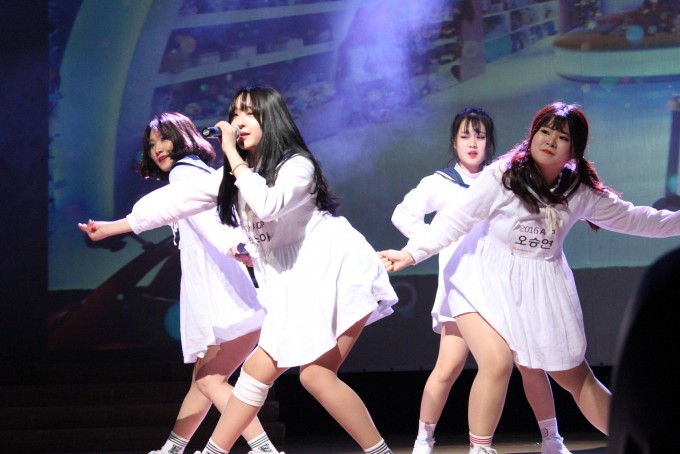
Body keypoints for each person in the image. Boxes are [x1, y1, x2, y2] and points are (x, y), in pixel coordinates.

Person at [79, 86, 399, 454]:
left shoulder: (297, 165)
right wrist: (113, 227)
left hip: (334, 269)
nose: (238, 121)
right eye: (234, 114)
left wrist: (232, 155)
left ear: (271, 118)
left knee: (316, 375)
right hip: (294, 280)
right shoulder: (234, 176)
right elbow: (176, 202)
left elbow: (267, 204)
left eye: (248, 113)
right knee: (262, 375)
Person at [379, 101, 680, 454]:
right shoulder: (502, 176)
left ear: (574, 149)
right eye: (545, 131)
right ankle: (480, 449)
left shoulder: (579, 191)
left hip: (540, 289)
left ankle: (638, 442)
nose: (550, 140)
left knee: (577, 377)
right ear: (532, 134)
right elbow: (454, 220)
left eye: (562, 136)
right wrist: (411, 253)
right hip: (479, 278)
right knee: (496, 362)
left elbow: (638, 219)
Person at [78, 112, 282, 454]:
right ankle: (173, 449)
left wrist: (232, 246)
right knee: (203, 382)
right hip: (233, 297)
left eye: (164, 138)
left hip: (222, 299)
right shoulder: (198, 172)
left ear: (183, 137)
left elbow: (206, 220)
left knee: (210, 381)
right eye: (151, 144)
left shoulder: (184, 172)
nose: (158, 148)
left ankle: (264, 449)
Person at [392, 107, 570, 454]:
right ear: (454, 142)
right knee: (448, 367)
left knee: (530, 364)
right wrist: (435, 240)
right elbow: (403, 215)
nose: (472, 143)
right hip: (461, 285)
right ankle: (423, 440)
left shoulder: (503, 177)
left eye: (480, 136)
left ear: (489, 142)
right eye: (465, 136)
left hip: (502, 284)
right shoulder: (439, 182)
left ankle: (552, 439)